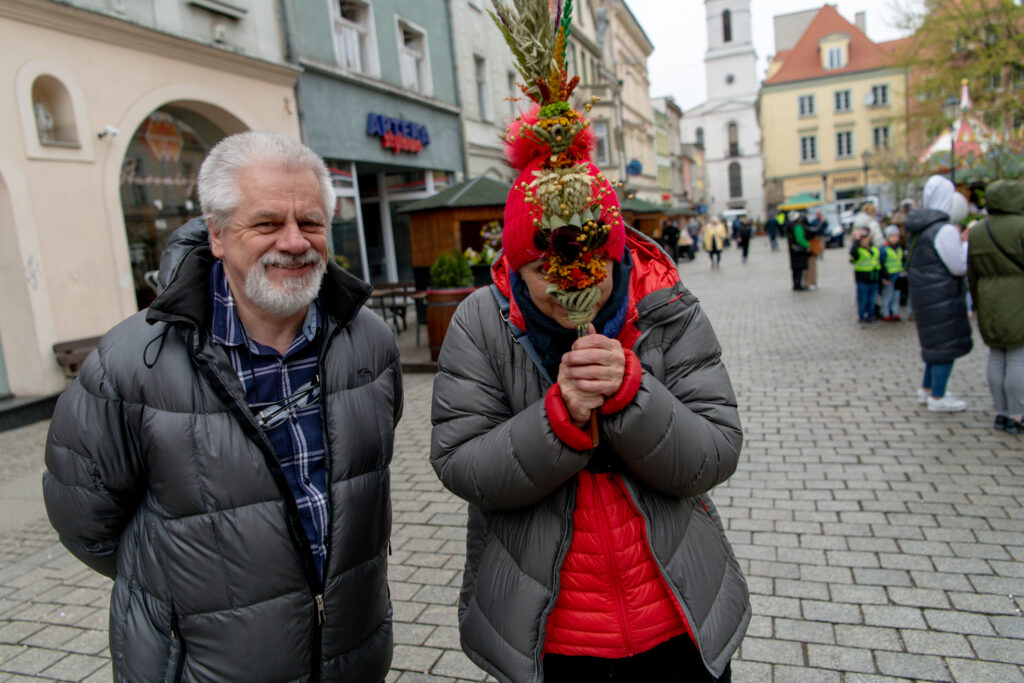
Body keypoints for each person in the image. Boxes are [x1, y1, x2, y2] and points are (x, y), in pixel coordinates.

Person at [430, 11, 749, 679]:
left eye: (588, 264)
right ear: (514, 268)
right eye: (543, 270)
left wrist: (634, 394)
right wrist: (558, 418)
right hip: (553, 631)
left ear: (616, 251)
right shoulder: (482, 325)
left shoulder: (665, 310)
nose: (568, 286)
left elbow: (714, 452)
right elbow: (463, 465)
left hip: (676, 615)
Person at [42, 131, 402, 681]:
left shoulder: (369, 340)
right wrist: (189, 595)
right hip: (206, 665)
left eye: (310, 222)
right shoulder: (130, 361)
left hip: (350, 653)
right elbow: (84, 518)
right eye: (265, 223)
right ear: (216, 234)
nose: (294, 242)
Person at [906, 175, 972, 412]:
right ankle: (938, 396)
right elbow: (959, 266)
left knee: (933, 345)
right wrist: (964, 242)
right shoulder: (943, 229)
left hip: (924, 293)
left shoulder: (920, 225)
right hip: (940, 293)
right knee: (944, 346)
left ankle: (928, 389)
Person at [967, 179, 1024, 434]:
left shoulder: (979, 230)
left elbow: (972, 272)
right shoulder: (1021, 226)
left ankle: (1001, 411)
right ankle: (1017, 413)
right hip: (1017, 295)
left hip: (988, 296)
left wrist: (977, 303)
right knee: (1017, 356)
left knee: (996, 355)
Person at [850, 228, 881, 322]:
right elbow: (852, 252)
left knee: (872, 300)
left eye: (866, 238)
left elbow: (879, 263)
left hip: (874, 278)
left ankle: (870, 316)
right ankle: (862, 317)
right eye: (862, 239)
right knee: (863, 300)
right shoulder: (858, 250)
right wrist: (857, 240)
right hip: (862, 280)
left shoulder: (874, 249)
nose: (865, 240)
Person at [879, 225, 906, 321]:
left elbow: (902, 261)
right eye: (892, 236)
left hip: (898, 276)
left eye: (896, 236)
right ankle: (886, 313)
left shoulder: (899, 248)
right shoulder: (884, 249)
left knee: (896, 296)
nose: (895, 238)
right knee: (888, 296)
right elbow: (881, 264)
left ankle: (895, 313)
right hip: (889, 277)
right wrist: (884, 277)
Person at [787, 211, 810, 290]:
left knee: (795, 270)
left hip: (792, 251)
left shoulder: (789, 226)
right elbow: (800, 239)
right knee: (799, 269)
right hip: (799, 251)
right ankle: (798, 285)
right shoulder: (797, 227)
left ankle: (795, 284)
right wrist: (807, 245)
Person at [805, 211, 826, 290]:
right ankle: (810, 282)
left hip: (812, 245)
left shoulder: (806, 225)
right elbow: (815, 230)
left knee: (812, 266)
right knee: (810, 266)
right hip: (810, 248)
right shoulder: (807, 226)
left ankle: (812, 282)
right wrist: (821, 222)